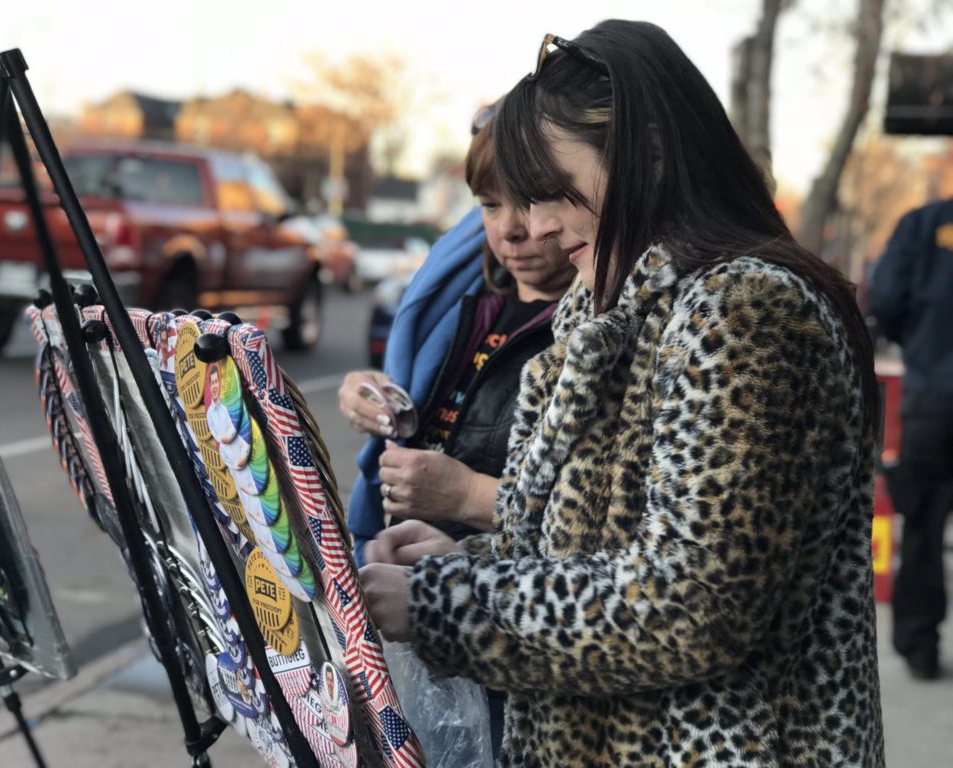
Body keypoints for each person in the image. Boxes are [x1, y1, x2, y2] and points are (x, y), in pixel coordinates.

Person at [360, 20, 884, 767]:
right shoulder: (609, 310)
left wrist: (445, 608)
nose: (535, 224)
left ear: (648, 156)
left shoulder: (745, 312)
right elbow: (587, 544)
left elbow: (688, 604)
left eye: (549, 189)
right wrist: (455, 564)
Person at [340, 107, 575, 562]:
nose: (509, 230)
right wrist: (371, 395)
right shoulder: (454, 305)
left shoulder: (601, 334)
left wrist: (466, 497)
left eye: (530, 201)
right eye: (489, 204)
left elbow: (607, 525)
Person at [869, 198, 953, 681]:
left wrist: (920, 345)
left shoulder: (923, 224)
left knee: (923, 525)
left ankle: (919, 641)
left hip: (933, 398)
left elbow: (886, 300)